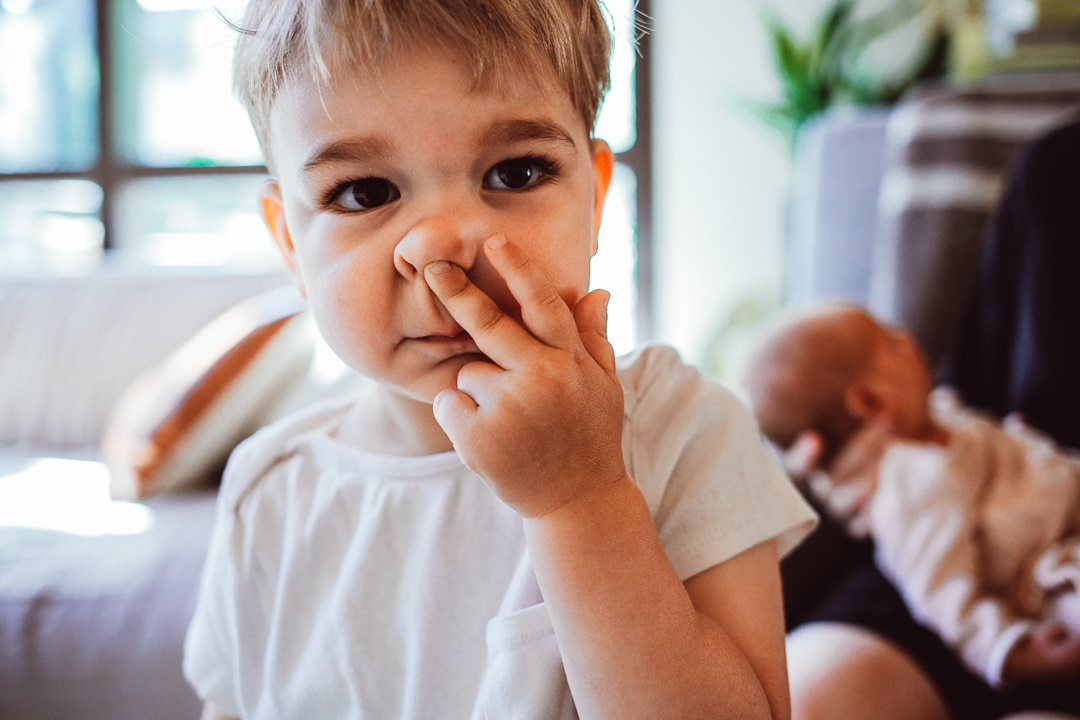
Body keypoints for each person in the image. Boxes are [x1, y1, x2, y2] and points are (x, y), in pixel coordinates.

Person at [181, 1, 817, 718]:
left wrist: (580, 500)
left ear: (598, 201)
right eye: (365, 192)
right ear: (292, 247)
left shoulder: (685, 430)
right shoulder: (270, 490)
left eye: (514, 173)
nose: (440, 245)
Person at [744, 304, 1080, 720]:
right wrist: (1013, 651)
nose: (905, 336)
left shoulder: (935, 419)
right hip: (1048, 576)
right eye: (889, 340)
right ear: (870, 402)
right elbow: (943, 593)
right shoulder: (909, 493)